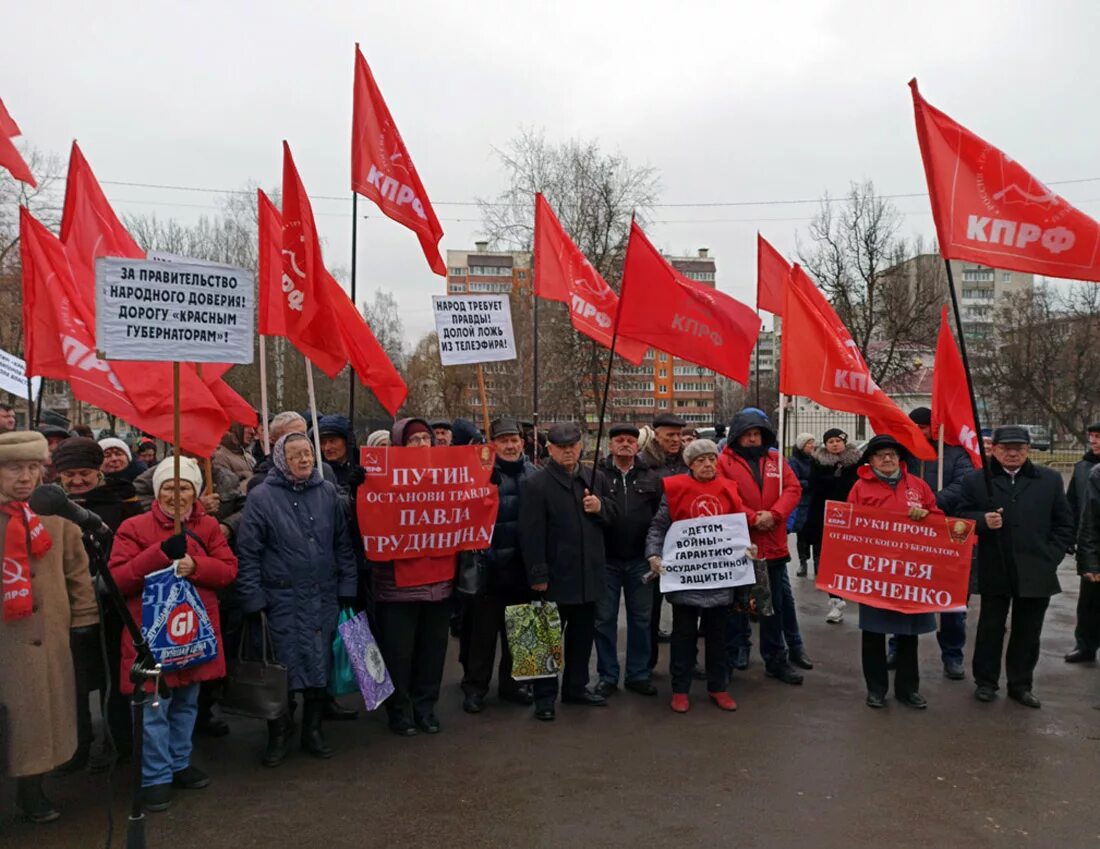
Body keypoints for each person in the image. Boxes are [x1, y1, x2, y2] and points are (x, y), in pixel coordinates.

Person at [108, 457, 237, 811]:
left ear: (194, 492)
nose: (176, 494)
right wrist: (159, 554)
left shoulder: (208, 527)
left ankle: (179, 763)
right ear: (156, 490)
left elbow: (227, 571)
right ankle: (155, 776)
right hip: (149, 635)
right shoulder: (133, 527)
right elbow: (118, 580)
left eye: (184, 487)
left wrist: (197, 565)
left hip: (192, 633)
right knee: (153, 707)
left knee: (186, 704)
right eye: (169, 486)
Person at [236, 433, 358, 763]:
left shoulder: (328, 492)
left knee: (320, 666)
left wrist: (348, 588)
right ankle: (279, 733)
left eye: (307, 453)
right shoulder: (261, 498)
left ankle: (313, 730)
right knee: (282, 671)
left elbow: (342, 546)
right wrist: (253, 599)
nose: (304, 460)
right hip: (280, 602)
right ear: (280, 460)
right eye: (295, 455)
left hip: (323, 597)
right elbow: (248, 553)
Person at [0, 431, 98, 823]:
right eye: (13, 468)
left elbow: (78, 572)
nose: (25, 478)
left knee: (39, 715)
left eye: (32, 468)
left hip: (50, 636)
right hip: (7, 637)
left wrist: (85, 620)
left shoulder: (56, 516)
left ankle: (32, 790)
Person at [959, 426, 1074, 708]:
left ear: (1028, 450)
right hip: (995, 564)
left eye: (1019, 449)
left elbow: (1064, 523)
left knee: (1028, 630)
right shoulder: (977, 480)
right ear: (994, 449)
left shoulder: (1048, 479)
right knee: (990, 627)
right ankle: (986, 682)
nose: (1012, 454)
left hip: (1036, 567)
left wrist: (1051, 556)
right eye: (1005, 448)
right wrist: (983, 521)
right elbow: (959, 515)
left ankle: (1020, 684)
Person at [52, 437, 143, 771]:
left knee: (111, 677)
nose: (77, 481)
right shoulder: (49, 503)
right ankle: (76, 746)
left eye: (84, 474)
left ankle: (118, 743)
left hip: (110, 601)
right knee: (72, 678)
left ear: (98, 471)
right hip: (63, 603)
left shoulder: (122, 498)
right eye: (69, 475)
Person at [646, 439, 751, 713]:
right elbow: (659, 526)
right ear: (690, 464)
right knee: (684, 637)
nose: (707, 464)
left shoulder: (728, 489)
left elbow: (738, 526)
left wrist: (747, 548)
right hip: (686, 580)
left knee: (718, 637)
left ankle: (718, 687)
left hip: (719, 579)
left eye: (711, 459)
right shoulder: (676, 488)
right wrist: (654, 555)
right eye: (701, 460)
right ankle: (680, 689)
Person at [519, 421, 615, 720]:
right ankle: (544, 697)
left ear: (580, 446)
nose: (568, 452)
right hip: (553, 576)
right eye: (561, 448)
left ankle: (576, 687)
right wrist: (537, 575)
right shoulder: (536, 484)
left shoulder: (593, 477)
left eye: (572, 446)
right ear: (550, 450)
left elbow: (611, 519)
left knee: (582, 636)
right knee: (545, 636)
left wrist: (600, 508)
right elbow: (530, 534)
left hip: (588, 574)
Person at [368, 418, 457, 736]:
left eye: (425, 439)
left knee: (432, 654)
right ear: (398, 446)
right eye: (413, 440)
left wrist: (487, 486)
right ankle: (399, 710)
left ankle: (425, 708)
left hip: (440, 583)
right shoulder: (381, 482)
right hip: (398, 587)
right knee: (399, 655)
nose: (421, 445)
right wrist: (359, 489)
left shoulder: (449, 478)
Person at [847, 435, 942, 709]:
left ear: (900, 459)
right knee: (874, 633)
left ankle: (908, 689)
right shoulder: (860, 488)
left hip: (909, 572)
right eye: (880, 455)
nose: (887, 459)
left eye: (892, 454)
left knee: (908, 635)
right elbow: (848, 526)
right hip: (875, 571)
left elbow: (938, 517)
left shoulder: (918, 486)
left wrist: (926, 516)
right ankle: (876, 689)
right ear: (871, 460)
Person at [720, 410, 809, 684]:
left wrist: (775, 514)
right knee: (737, 605)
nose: (752, 438)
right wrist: (752, 517)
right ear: (737, 435)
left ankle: (775, 659)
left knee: (773, 608)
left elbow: (793, 489)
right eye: (747, 434)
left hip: (773, 545)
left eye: (757, 434)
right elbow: (724, 493)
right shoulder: (724, 462)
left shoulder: (776, 459)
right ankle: (736, 653)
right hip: (741, 546)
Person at [460, 417, 536, 713]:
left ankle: (515, 684)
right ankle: (475, 687)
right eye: (503, 440)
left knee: (521, 632)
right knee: (482, 637)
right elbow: (465, 513)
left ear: (522, 442)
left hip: (523, 567)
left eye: (514, 439)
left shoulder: (533, 473)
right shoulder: (479, 474)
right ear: (492, 444)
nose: (510, 445)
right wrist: (483, 490)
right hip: (489, 567)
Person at [893, 406, 975, 680]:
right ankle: (897, 647)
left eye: (925, 427)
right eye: (915, 427)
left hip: (947, 535)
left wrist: (931, 505)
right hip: (910, 535)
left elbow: (964, 484)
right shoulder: (904, 452)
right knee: (905, 596)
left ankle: (953, 655)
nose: (921, 432)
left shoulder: (954, 453)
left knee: (952, 602)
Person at [593, 423, 663, 698]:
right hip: (606, 560)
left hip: (640, 561)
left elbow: (660, 517)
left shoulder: (650, 477)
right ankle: (607, 676)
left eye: (631, 440)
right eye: (619, 440)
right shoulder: (596, 476)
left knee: (642, 620)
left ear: (638, 445)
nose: (625, 444)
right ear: (610, 445)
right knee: (604, 619)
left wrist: (656, 552)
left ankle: (638, 674)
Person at [640, 413, 689, 668]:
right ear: (656, 435)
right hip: (652, 545)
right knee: (650, 610)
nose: (676, 439)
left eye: (679, 435)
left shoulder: (687, 462)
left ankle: (685, 663)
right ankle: (646, 665)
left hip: (684, 546)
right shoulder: (643, 463)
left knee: (685, 609)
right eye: (670, 435)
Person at [804, 427, 861, 623]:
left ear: (844, 442)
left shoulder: (856, 463)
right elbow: (813, 485)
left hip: (852, 520)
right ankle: (835, 602)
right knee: (827, 562)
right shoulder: (818, 462)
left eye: (838, 440)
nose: (834, 444)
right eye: (830, 441)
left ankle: (853, 593)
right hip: (824, 518)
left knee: (849, 561)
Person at [1065, 422, 1100, 663]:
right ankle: (1085, 646)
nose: (1094, 441)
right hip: (1092, 547)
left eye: (1099, 437)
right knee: (1089, 604)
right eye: (1092, 437)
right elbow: (1073, 507)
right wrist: (1069, 538)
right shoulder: (1083, 468)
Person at [788, 433, 816, 577]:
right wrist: (809, 483)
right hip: (802, 502)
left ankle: (818, 565)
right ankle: (803, 562)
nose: (812, 446)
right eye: (808, 443)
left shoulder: (814, 460)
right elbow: (793, 481)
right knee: (802, 535)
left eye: (813, 443)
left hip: (814, 501)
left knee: (816, 534)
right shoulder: (794, 461)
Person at [314, 414, 359, 493]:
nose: (327, 447)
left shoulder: (363, 465)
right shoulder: (316, 470)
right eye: (322, 442)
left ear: (348, 441)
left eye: (332, 441)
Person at [213, 424, 255, 493]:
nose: (252, 431)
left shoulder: (248, 455)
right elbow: (225, 491)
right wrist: (250, 479)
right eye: (247, 426)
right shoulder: (219, 456)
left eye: (253, 427)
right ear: (236, 428)